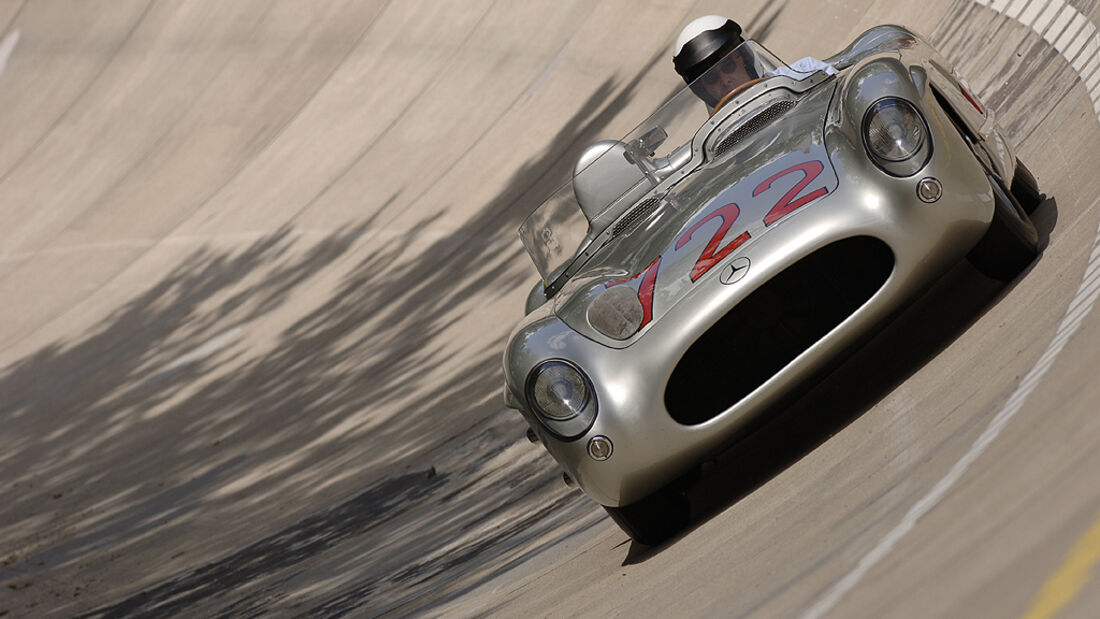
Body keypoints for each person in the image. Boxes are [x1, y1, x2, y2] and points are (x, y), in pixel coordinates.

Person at [673, 15, 837, 110]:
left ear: (745, 59)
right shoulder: (712, 148)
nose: (725, 81)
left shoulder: (807, 73)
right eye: (711, 78)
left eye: (729, 66)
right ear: (702, 89)